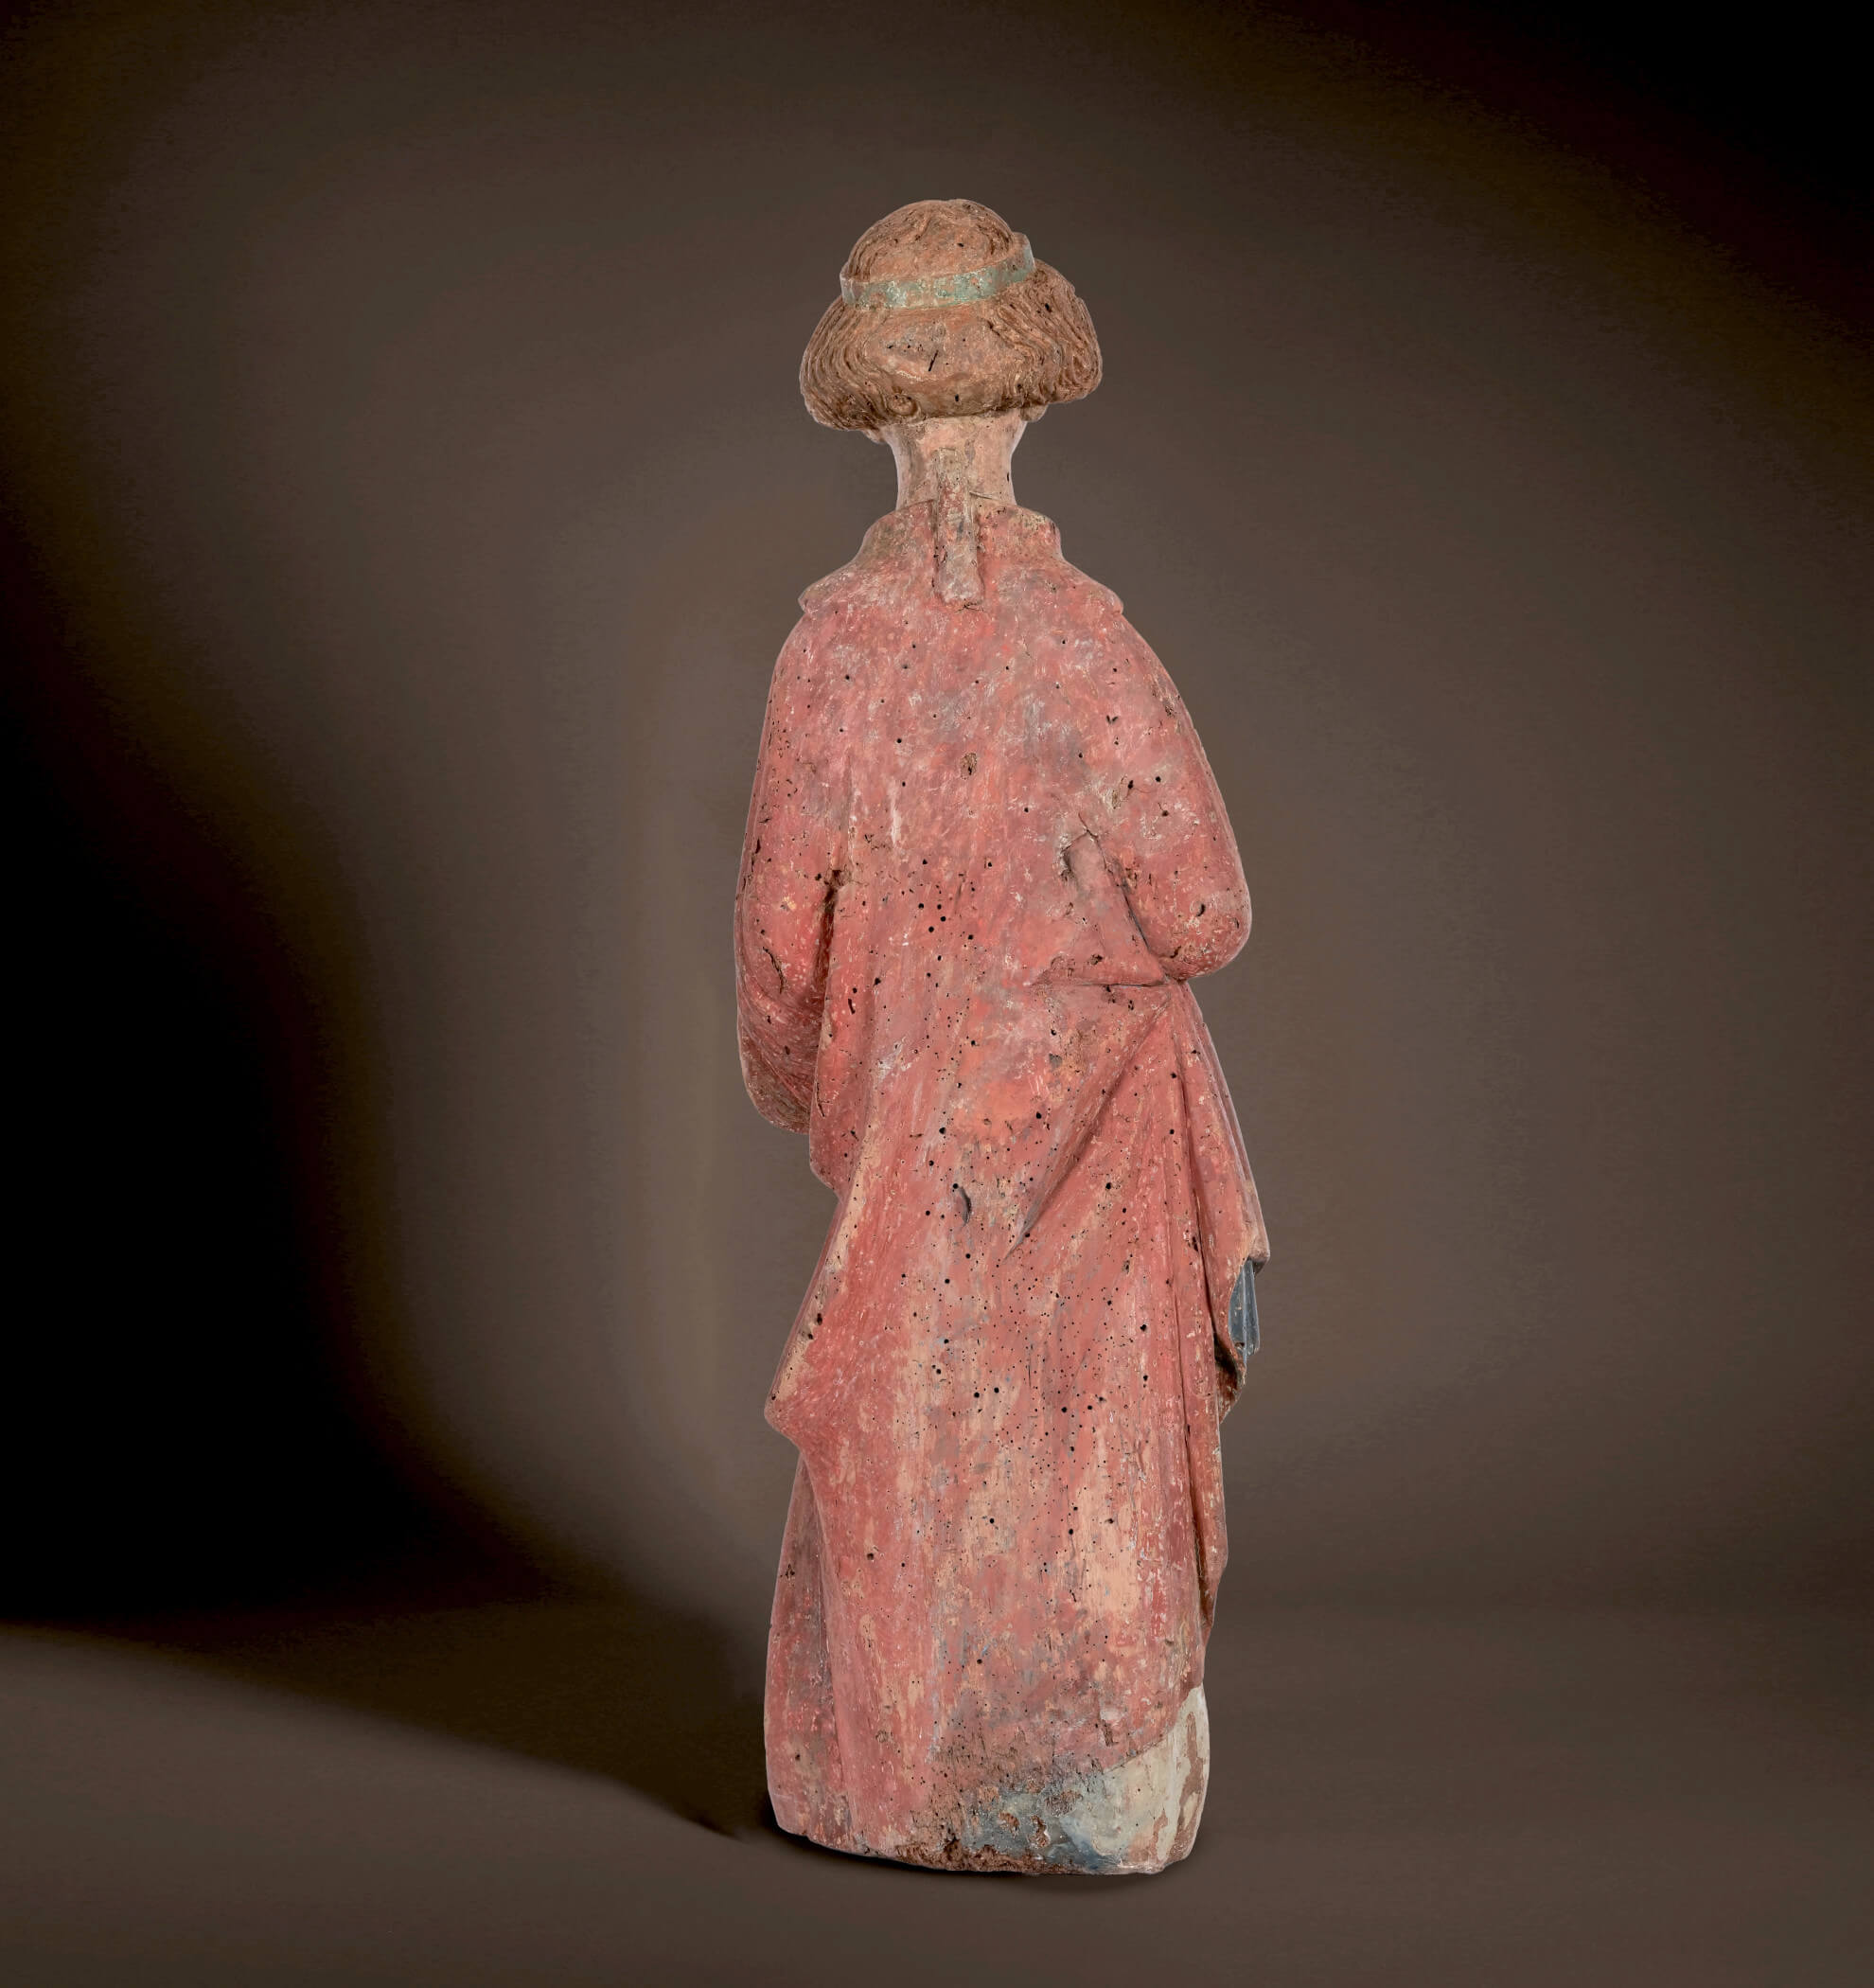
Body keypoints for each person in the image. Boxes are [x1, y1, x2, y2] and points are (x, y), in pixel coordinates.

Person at [735, 199, 1267, 1873]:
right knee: (1074, 1450)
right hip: (1092, 1145)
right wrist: (1061, 960)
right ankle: (1082, 1781)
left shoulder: (833, 656)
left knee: (912, 1448)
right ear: (1029, 403)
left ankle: (898, 1781)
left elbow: (779, 966)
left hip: (911, 1143)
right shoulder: (1083, 645)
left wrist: (849, 1090)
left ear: (875, 425)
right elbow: (1205, 912)